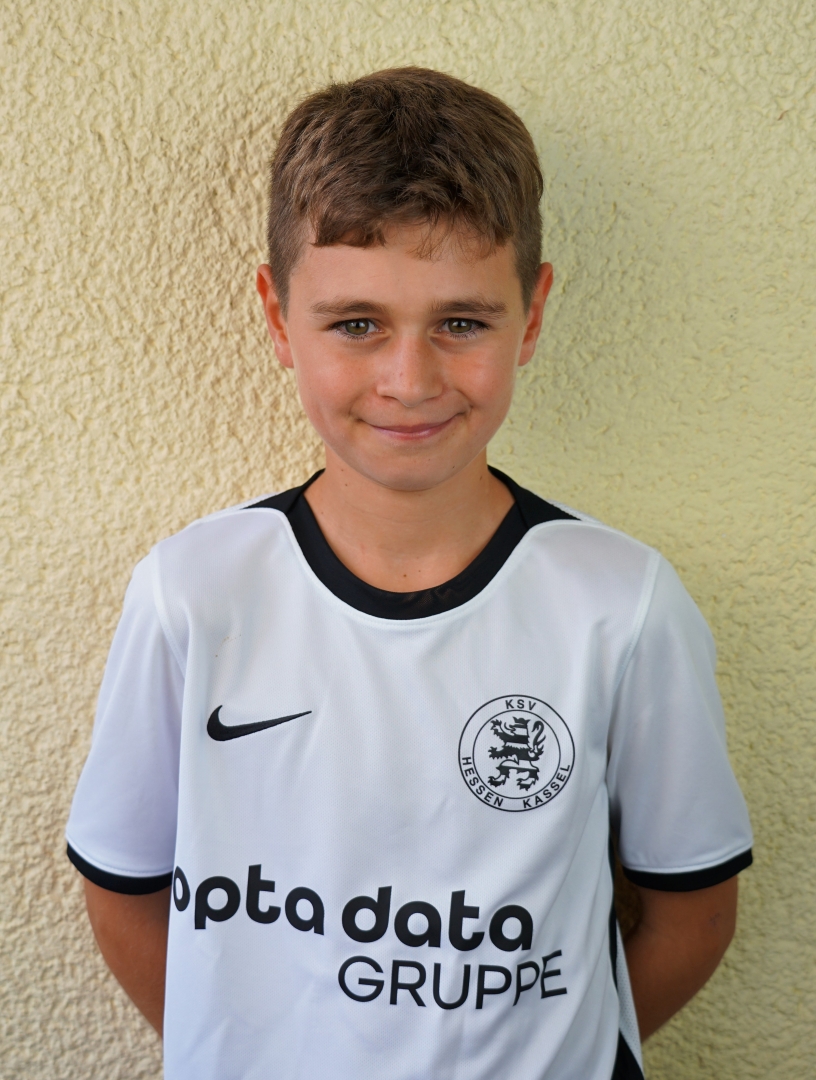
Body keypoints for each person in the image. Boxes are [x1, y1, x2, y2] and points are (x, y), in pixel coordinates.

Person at [66, 67, 753, 1080]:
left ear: (532, 314)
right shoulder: (193, 593)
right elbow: (124, 894)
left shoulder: (622, 605)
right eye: (356, 323)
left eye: (462, 322)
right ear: (276, 317)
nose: (409, 379)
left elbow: (692, 914)